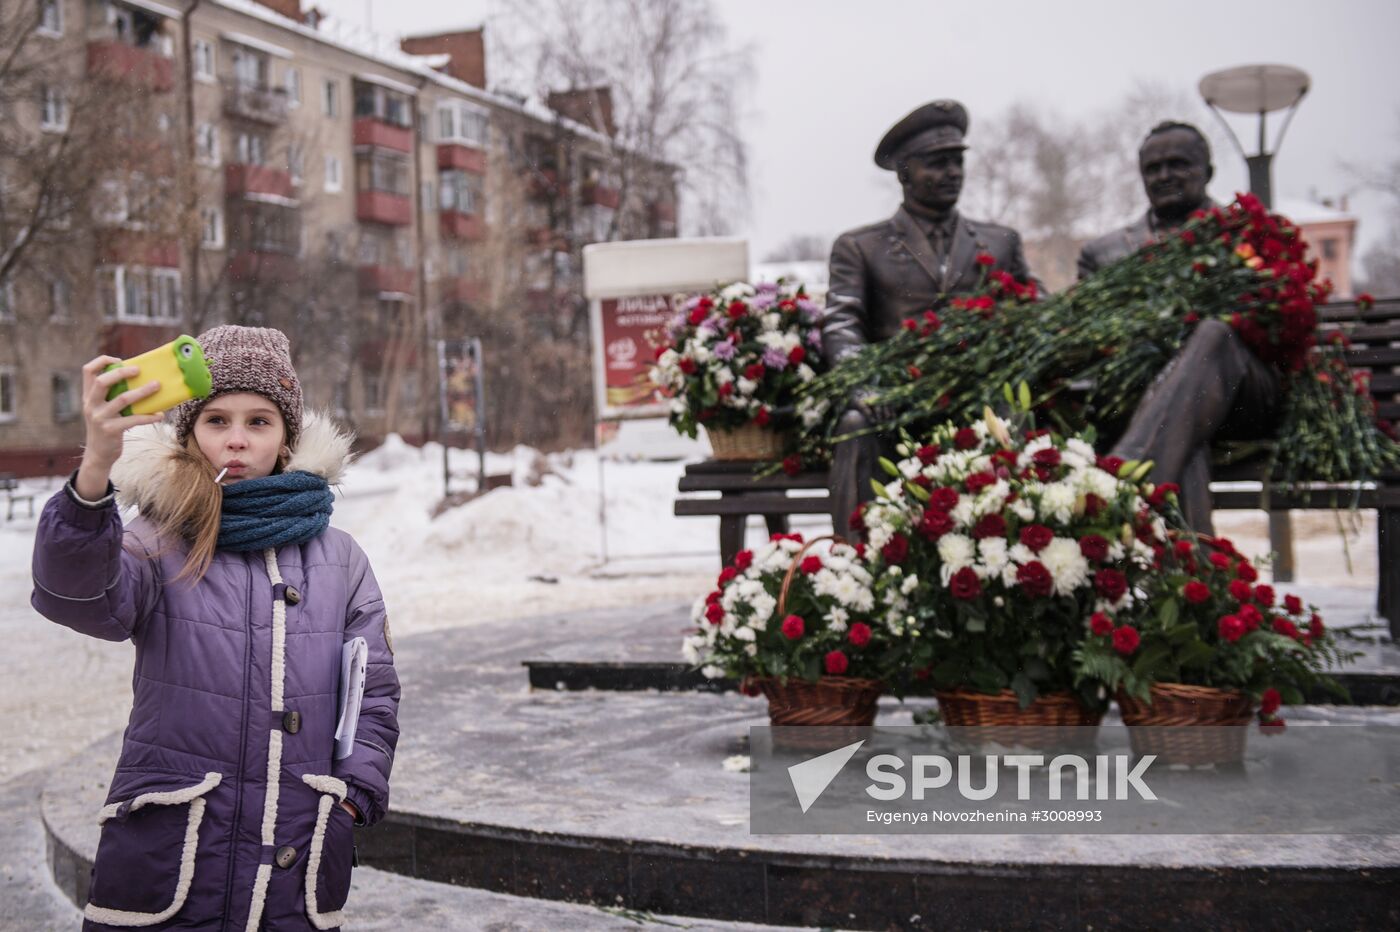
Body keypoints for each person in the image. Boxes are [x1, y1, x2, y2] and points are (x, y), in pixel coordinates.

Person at [31, 326, 399, 931]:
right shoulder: (155, 542)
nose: (236, 440)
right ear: (188, 434)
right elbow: (76, 597)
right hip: (173, 857)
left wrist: (351, 798)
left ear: (285, 438)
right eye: (216, 420)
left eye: (259, 422)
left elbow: (373, 692)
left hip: (296, 856)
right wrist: (98, 463)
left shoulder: (341, 559)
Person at [822, 100, 1037, 540]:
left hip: (977, 398)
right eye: (937, 164)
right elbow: (842, 324)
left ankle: (1015, 561)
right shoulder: (860, 247)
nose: (952, 173)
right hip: (896, 401)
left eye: (957, 162)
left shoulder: (1000, 243)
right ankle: (855, 566)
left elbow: (1033, 314)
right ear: (904, 173)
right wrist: (864, 385)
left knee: (1014, 411)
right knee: (856, 425)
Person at [1077, 122, 1278, 533]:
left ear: (1208, 171)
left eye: (1178, 165)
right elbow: (1088, 342)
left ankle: (1125, 475)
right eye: (1153, 169)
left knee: (1213, 333)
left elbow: (1276, 329)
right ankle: (1193, 583)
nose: (1164, 176)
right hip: (1161, 406)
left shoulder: (1248, 233)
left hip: (1244, 400)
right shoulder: (1105, 253)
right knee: (1182, 434)